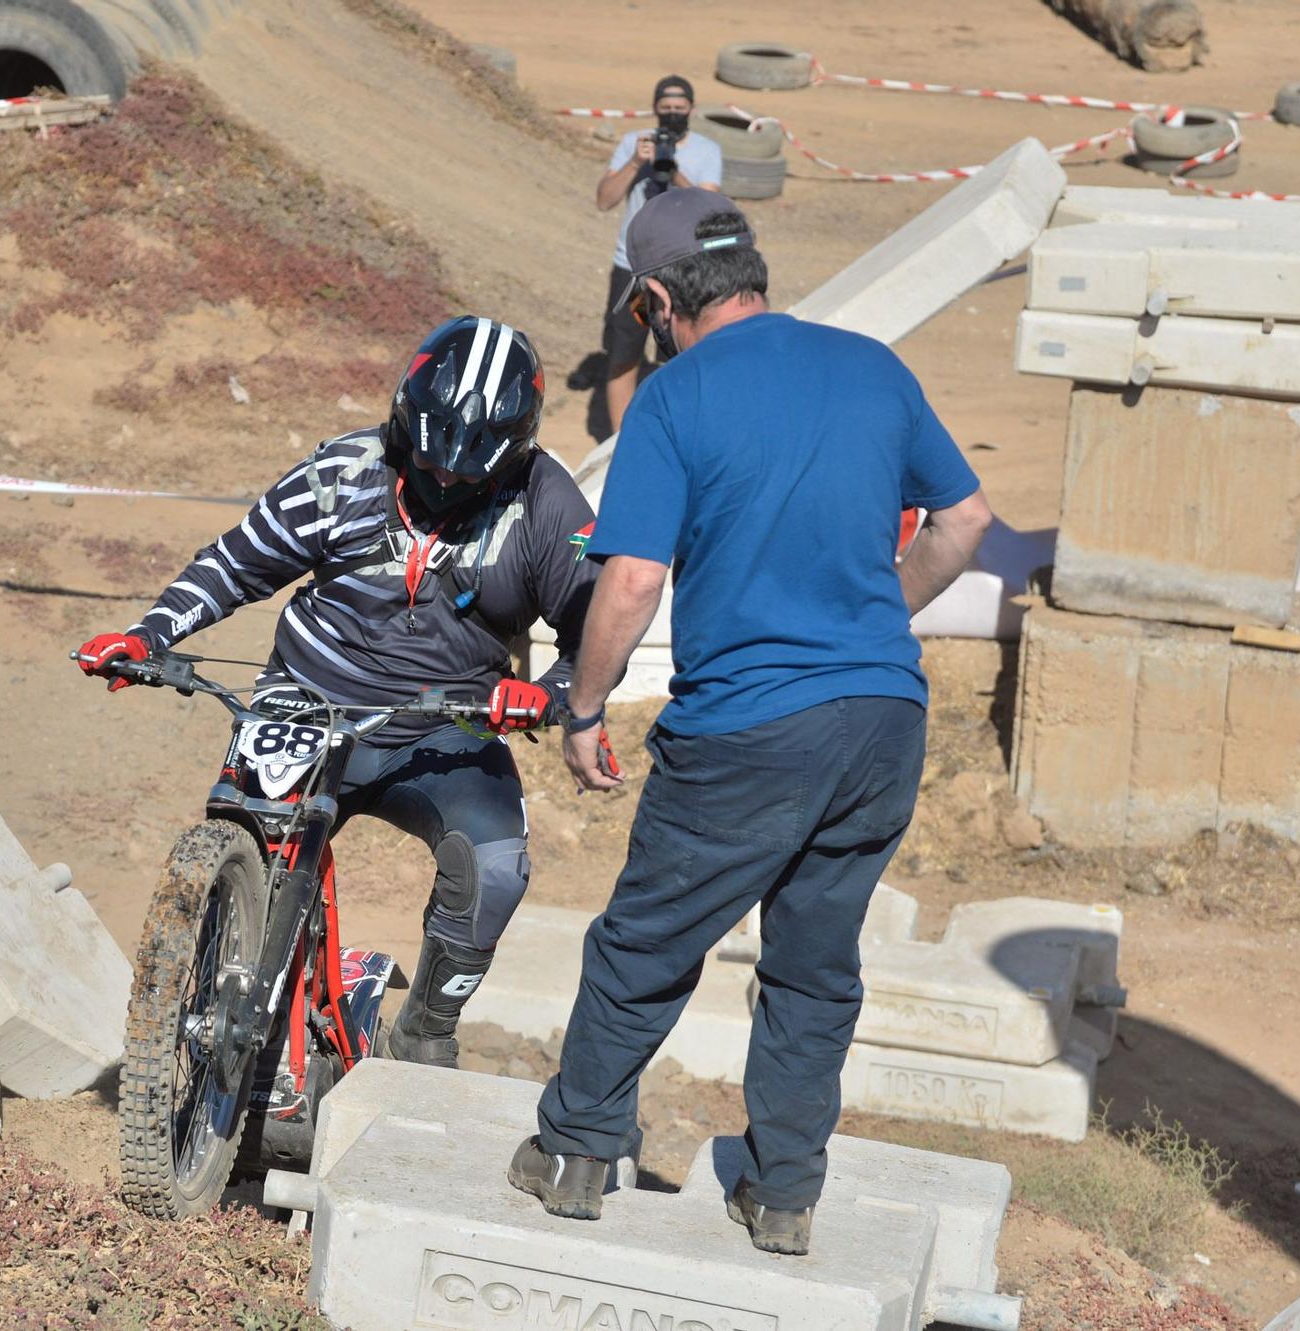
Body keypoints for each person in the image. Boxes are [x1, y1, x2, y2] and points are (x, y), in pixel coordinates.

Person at [506, 188, 994, 1254]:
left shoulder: (673, 401)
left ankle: (578, 1146)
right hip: (882, 720)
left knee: (644, 941)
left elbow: (630, 580)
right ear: (753, 273)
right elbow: (963, 519)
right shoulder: (871, 366)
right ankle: (781, 1192)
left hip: (747, 730)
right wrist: (875, 617)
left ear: (651, 301)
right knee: (814, 965)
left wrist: (580, 707)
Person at [75, 316, 608, 1067]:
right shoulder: (341, 471)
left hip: (447, 723)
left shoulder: (550, 504)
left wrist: (550, 693)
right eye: (431, 460)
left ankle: (425, 1027)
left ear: (513, 454)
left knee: (495, 866)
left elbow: (597, 629)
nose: (448, 479)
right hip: (306, 700)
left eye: (471, 472)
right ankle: (219, 1004)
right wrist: (149, 633)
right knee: (251, 837)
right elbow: (236, 562)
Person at [596, 75, 723, 436]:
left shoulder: (707, 151)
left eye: (679, 110)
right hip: (634, 271)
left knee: (685, 356)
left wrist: (675, 172)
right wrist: (637, 163)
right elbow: (604, 200)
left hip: (683, 271)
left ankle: (681, 434)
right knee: (623, 355)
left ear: (692, 110)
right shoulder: (632, 145)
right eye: (665, 109)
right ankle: (621, 440)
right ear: (654, 108)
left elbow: (713, 209)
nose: (672, 115)